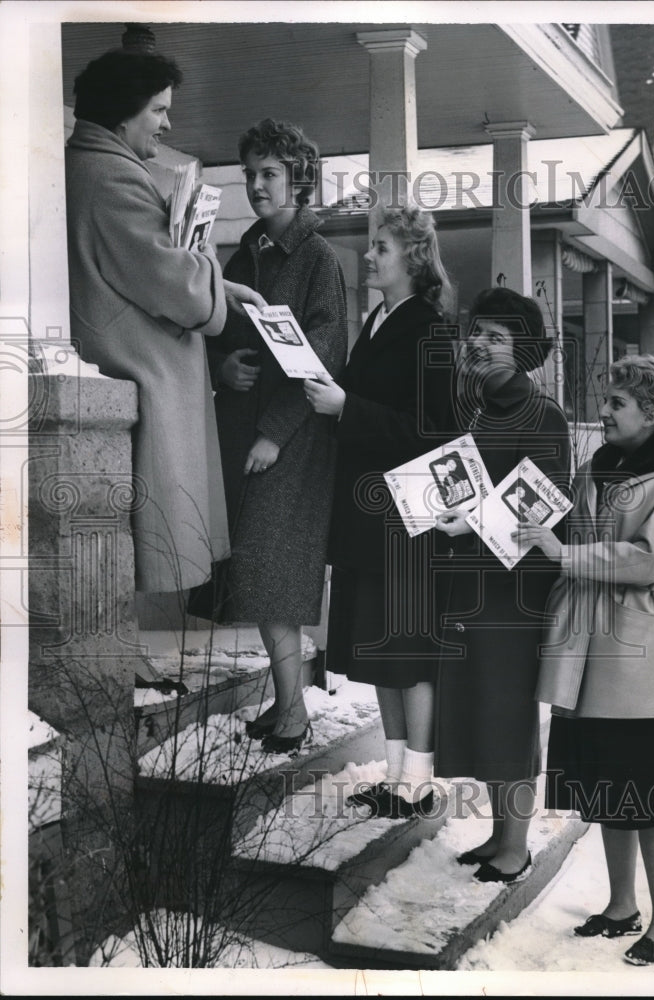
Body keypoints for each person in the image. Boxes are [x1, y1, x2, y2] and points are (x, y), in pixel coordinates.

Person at [515, 355, 654, 966]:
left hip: (636, 657)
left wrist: (565, 555)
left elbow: (647, 559)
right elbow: (575, 532)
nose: (603, 411)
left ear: (650, 413)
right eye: (606, 400)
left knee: (649, 794)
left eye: (617, 403)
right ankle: (622, 905)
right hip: (590, 647)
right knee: (608, 789)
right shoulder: (600, 466)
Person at [65, 49, 258, 605]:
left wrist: (219, 286)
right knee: (150, 542)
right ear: (124, 116)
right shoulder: (112, 178)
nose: (168, 124)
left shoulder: (88, 166)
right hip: (144, 373)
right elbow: (180, 288)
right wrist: (211, 279)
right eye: (158, 110)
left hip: (117, 359)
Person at [204, 118, 348, 755]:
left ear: (299, 181)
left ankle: (293, 715)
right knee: (262, 579)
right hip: (247, 437)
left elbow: (324, 360)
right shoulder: (246, 253)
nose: (257, 186)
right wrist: (221, 368)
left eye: (269, 175)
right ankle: (287, 705)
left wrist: (271, 433)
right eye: (250, 175)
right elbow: (217, 334)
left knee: (274, 576)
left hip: (292, 445)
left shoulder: (318, 260)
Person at [305, 203, 452, 818]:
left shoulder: (431, 330)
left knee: (410, 650)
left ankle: (418, 780)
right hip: (371, 514)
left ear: (414, 259)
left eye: (382, 248)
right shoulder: (380, 322)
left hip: (406, 517)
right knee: (382, 649)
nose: (369, 255)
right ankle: (396, 776)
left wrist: (347, 408)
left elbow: (436, 429)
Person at [433, 286, 571, 882]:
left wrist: (470, 521)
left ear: (525, 349)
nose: (481, 345)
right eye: (477, 333)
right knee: (479, 706)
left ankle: (516, 844)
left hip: (514, 590)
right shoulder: (478, 409)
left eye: (497, 336)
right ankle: (497, 834)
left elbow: (539, 500)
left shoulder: (543, 415)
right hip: (471, 580)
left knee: (507, 709)